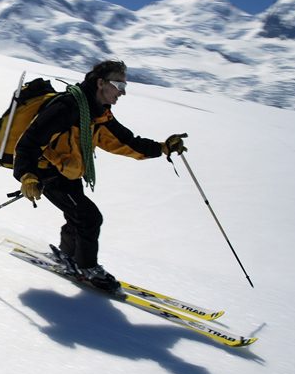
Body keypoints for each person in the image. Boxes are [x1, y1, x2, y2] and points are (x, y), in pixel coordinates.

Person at [12, 60, 187, 293]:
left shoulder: (99, 113)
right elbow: (28, 143)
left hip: (70, 172)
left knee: (78, 216)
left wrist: (164, 148)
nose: (122, 92)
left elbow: (127, 142)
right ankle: (87, 269)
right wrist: (27, 176)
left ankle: (67, 255)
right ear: (101, 83)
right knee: (89, 218)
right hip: (47, 172)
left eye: (124, 86)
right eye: (118, 85)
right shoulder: (67, 107)